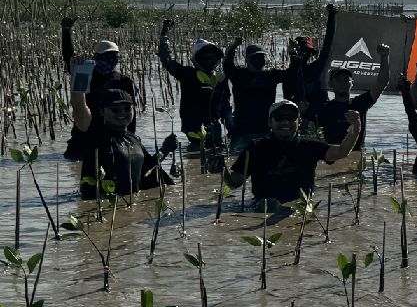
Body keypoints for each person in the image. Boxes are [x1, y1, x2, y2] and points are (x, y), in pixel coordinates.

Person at [225, 100, 361, 207]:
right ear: (269, 122)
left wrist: (356, 128)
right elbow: (234, 183)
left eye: (291, 117)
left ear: (299, 122)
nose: (285, 122)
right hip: (262, 208)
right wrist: (221, 169)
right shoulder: (256, 147)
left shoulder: (310, 146)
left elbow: (342, 151)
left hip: (300, 207)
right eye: (279, 117)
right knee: (270, 205)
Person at [69, 85, 172, 199]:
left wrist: (165, 150)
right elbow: (79, 106)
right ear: (102, 111)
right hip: (101, 208)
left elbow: (148, 171)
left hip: (128, 206)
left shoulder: (134, 139)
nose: (122, 113)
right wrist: (79, 73)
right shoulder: (95, 136)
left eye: (127, 109)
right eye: (115, 110)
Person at [61, 16, 137, 159]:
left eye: (114, 56)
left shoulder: (124, 81)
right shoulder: (86, 75)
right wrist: (66, 32)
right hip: (87, 133)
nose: (110, 59)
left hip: (112, 134)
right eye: (106, 56)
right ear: (96, 57)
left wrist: (131, 139)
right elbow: (68, 57)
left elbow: (131, 114)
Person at [159, 19, 232, 150]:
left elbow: (225, 103)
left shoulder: (220, 78)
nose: (209, 61)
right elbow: (167, 60)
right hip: (192, 126)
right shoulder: (188, 74)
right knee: (198, 150)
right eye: (205, 58)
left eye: (212, 58)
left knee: (217, 150)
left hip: (214, 125)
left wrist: (230, 123)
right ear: (197, 59)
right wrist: (164, 35)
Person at [224, 37, 295, 153]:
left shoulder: (271, 75)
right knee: (235, 159)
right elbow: (227, 64)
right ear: (247, 60)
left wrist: (292, 52)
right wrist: (234, 46)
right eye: (255, 57)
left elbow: (292, 73)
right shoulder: (238, 75)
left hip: (264, 128)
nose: (259, 60)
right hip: (242, 129)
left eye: (261, 57)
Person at [316, 43, 391, 151]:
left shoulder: (360, 103)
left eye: (346, 79)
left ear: (352, 83)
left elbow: (382, 82)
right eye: (338, 79)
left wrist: (384, 57)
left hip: (355, 155)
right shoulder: (323, 109)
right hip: (331, 156)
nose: (342, 82)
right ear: (330, 83)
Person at [284, 3, 338, 123]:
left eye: (307, 51)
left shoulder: (317, 68)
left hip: (321, 116)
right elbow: (287, 99)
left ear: (311, 54)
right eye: (301, 51)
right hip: (300, 119)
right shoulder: (290, 74)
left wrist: (332, 16)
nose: (304, 54)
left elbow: (329, 43)